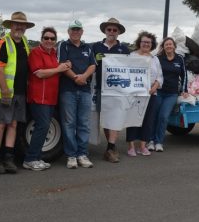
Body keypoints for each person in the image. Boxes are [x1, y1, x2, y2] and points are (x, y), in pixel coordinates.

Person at [0, 11, 34, 174]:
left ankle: (8, 158)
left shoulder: (24, 41)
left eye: (22, 25)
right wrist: (4, 91)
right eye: (16, 24)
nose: (19, 27)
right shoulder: (3, 42)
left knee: (13, 124)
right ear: (10, 25)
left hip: (20, 92)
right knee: (0, 124)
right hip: (5, 92)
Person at [23, 27, 71, 171]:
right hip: (39, 97)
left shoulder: (54, 54)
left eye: (52, 39)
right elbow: (39, 73)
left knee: (44, 127)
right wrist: (59, 69)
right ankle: (30, 159)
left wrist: (66, 65)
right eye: (46, 38)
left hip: (51, 98)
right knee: (42, 126)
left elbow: (59, 68)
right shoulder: (36, 52)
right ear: (41, 39)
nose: (49, 41)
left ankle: (37, 158)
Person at [58, 20, 97, 169]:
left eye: (78, 29)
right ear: (68, 31)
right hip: (68, 90)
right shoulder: (64, 45)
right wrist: (75, 77)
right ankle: (71, 155)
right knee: (69, 123)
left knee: (84, 124)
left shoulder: (88, 47)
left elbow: (92, 65)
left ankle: (82, 154)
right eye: (73, 29)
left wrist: (84, 77)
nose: (75, 32)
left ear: (82, 32)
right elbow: (62, 65)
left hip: (85, 90)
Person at [92, 17, 130, 163]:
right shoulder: (95, 47)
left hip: (118, 90)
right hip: (100, 88)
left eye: (115, 30)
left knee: (116, 117)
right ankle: (111, 146)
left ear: (119, 32)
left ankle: (110, 147)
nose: (112, 32)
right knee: (105, 119)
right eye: (109, 29)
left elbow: (130, 69)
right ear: (105, 31)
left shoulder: (124, 49)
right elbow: (89, 64)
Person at [149, 37, 188, 152]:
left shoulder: (179, 59)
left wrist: (184, 90)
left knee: (163, 116)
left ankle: (159, 142)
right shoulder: (158, 58)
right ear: (163, 47)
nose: (169, 46)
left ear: (174, 46)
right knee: (154, 116)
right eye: (166, 44)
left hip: (171, 94)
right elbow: (152, 73)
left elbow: (184, 75)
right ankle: (151, 141)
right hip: (158, 92)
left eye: (170, 44)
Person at [126, 31, 162, 157]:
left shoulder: (155, 59)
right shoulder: (131, 56)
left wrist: (154, 87)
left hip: (151, 94)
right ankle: (131, 146)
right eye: (144, 42)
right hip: (134, 94)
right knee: (132, 119)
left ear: (152, 45)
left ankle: (142, 146)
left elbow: (160, 77)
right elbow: (126, 74)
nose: (146, 44)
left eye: (149, 42)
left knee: (148, 120)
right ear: (139, 43)